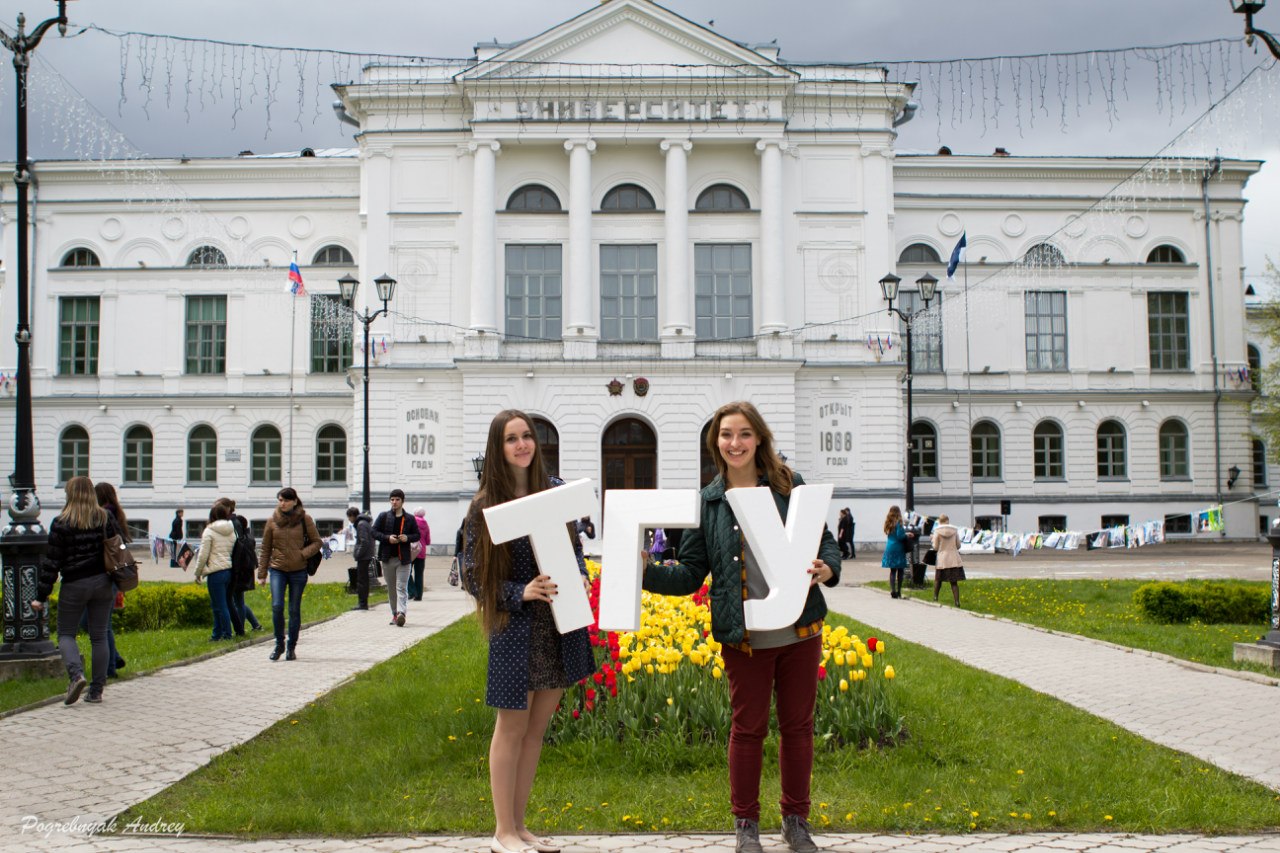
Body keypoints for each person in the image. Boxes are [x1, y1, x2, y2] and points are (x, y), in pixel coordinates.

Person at [642, 401, 840, 853]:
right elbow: (691, 572)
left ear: (759, 439)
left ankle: (795, 821)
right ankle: (746, 825)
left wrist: (828, 567)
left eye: (745, 433)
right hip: (745, 634)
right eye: (727, 434)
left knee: (799, 727)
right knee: (747, 728)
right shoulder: (710, 501)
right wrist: (645, 572)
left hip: (799, 629)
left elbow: (824, 542)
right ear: (715, 443)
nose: (736, 443)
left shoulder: (789, 486)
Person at [462, 409, 594, 853]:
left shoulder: (554, 493)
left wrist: (580, 574)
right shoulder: (485, 505)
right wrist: (522, 590)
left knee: (536, 732)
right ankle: (501, 831)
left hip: (559, 625)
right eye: (511, 439)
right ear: (497, 448)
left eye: (527, 437)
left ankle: (520, 828)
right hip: (517, 628)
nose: (522, 445)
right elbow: (472, 576)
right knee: (511, 728)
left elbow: (573, 551)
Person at [32, 476, 121, 706]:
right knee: (99, 636)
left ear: (70, 494)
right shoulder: (105, 517)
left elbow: (52, 563)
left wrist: (41, 596)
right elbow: (118, 547)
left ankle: (76, 675)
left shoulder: (61, 522)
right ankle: (97, 690)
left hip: (74, 584)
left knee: (65, 634)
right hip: (103, 582)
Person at [257, 487, 321, 661]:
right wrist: (262, 573)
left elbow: (317, 542)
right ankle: (279, 643)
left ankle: (291, 647)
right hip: (277, 570)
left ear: (294, 501)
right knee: (277, 606)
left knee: (294, 609)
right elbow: (265, 548)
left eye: (285, 500)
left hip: (298, 571)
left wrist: (302, 554)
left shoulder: (304, 519)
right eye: (280, 500)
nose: (282, 503)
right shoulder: (272, 521)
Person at [91, 482, 128, 677]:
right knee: (103, 624)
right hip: (112, 573)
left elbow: (115, 545)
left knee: (99, 625)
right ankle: (113, 659)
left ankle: (110, 665)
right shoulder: (116, 513)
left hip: (105, 573)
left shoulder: (105, 514)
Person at [372, 489, 420, 626]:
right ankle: (394, 613)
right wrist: (388, 538)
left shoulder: (409, 518)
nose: (394, 502)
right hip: (387, 558)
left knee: (401, 587)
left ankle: (401, 613)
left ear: (402, 501)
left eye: (397, 499)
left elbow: (417, 535)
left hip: (403, 559)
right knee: (392, 588)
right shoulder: (384, 516)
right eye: (392, 499)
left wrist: (407, 538)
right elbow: (374, 532)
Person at [192, 501, 236, 641]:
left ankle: (226, 634)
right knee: (220, 604)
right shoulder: (230, 529)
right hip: (227, 569)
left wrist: (198, 572)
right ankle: (217, 634)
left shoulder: (209, 531)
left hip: (215, 571)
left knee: (219, 605)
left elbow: (203, 554)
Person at [224, 499, 262, 635]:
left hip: (239, 567)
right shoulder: (238, 524)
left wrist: (234, 568)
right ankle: (255, 624)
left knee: (236, 601)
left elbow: (236, 546)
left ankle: (240, 630)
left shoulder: (233, 524)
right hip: (243, 567)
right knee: (237, 600)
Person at [930, 513, 966, 606]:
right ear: (947, 520)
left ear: (939, 521)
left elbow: (935, 547)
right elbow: (958, 545)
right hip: (953, 558)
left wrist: (932, 540)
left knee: (938, 580)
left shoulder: (937, 531)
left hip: (942, 559)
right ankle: (957, 602)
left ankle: (935, 598)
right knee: (954, 582)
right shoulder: (954, 530)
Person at [347, 506, 376, 610]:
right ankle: (363, 603)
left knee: (362, 580)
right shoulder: (364, 523)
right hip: (366, 554)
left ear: (352, 516)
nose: (349, 520)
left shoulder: (361, 524)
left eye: (349, 517)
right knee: (363, 579)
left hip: (364, 556)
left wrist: (358, 554)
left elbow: (364, 541)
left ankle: (362, 603)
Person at [882, 505, 911, 599]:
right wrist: (907, 535)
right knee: (900, 570)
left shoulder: (888, 522)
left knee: (892, 571)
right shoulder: (899, 522)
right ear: (898, 512)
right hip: (898, 548)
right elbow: (900, 536)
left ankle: (892, 591)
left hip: (889, 548)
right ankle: (899, 591)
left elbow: (891, 534)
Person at [408, 506, 431, 601]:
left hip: (411, 551)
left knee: (406, 572)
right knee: (419, 574)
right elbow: (428, 541)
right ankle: (419, 596)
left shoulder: (411, 522)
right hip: (421, 552)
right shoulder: (426, 524)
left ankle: (412, 591)